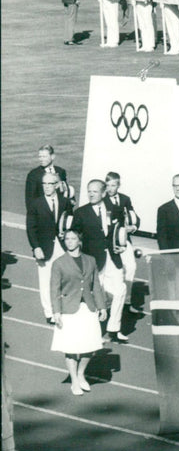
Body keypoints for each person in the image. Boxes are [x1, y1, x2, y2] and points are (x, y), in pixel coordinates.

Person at [50, 229, 108, 396]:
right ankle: (74, 380)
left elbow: (96, 285)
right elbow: (54, 289)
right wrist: (56, 312)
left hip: (88, 308)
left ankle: (81, 373)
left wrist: (102, 307)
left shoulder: (90, 261)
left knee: (90, 345)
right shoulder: (59, 263)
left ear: (79, 241)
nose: (69, 241)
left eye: (73, 238)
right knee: (71, 346)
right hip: (68, 309)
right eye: (67, 239)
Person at [71, 179, 128, 343]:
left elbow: (120, 232)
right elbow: (73, 237)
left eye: (95, 191)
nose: (91, 194)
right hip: (93, 261)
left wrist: (121, 246)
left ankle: (113, 329)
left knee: (120, 290)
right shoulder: (81, 213)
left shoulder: (115, 210)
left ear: (104, 193)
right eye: (89, 191)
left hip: (112, 258)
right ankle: (92, 332)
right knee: (94, 296)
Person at [26, 172, 72, 324]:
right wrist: (36, 247)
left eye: (50, 184)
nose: (46, 187)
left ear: (57, 185)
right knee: (45, 281)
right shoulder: (36, 203)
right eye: (44, 184)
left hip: (62, 246)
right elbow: (31, 228)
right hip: (44, 248)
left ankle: (61, 307)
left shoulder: (65, 202)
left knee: (64, 278)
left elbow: (69, 223)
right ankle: (49, 313)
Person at [104, 172, 140, 313]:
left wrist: (134, 227)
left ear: (119, 185)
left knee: (130, 267)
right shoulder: (102, 199)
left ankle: (127, 300)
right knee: (109, 270)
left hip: (123, 238)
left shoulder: (125, 199)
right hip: (108, 240)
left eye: (113, 185)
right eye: (107, 185)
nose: (110, 188)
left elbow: (134, 217)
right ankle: (108, 300)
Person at [25, 144, 69, 211]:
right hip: (42, 214)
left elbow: (65, 191)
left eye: (44, 157)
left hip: (58, 211)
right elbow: (30, 201)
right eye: (40, 157)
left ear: (52, 156)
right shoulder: (33, 175)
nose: (41, 159)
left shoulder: (61, 172)